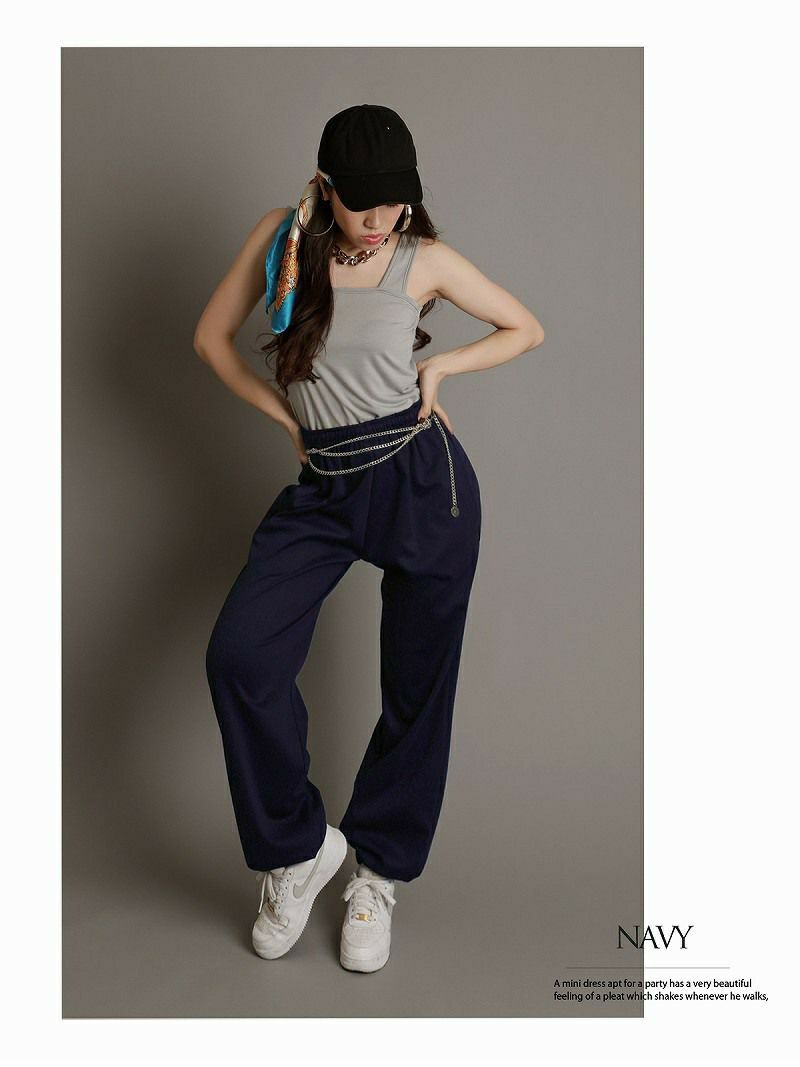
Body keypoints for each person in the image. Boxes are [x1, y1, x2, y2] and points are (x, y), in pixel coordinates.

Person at [194, 103, 544, 972]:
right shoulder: (283, 240)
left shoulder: (424, 258)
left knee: (417, 689)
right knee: (240, 655)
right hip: (324, 487)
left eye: (396, 200)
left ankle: (378, 875)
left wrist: (442, 364)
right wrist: (289, 422)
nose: (381, 218)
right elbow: (210, 340)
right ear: (325, 185)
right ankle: (297, 849)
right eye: (362, 202)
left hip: (421, 482)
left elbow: (525, 327)